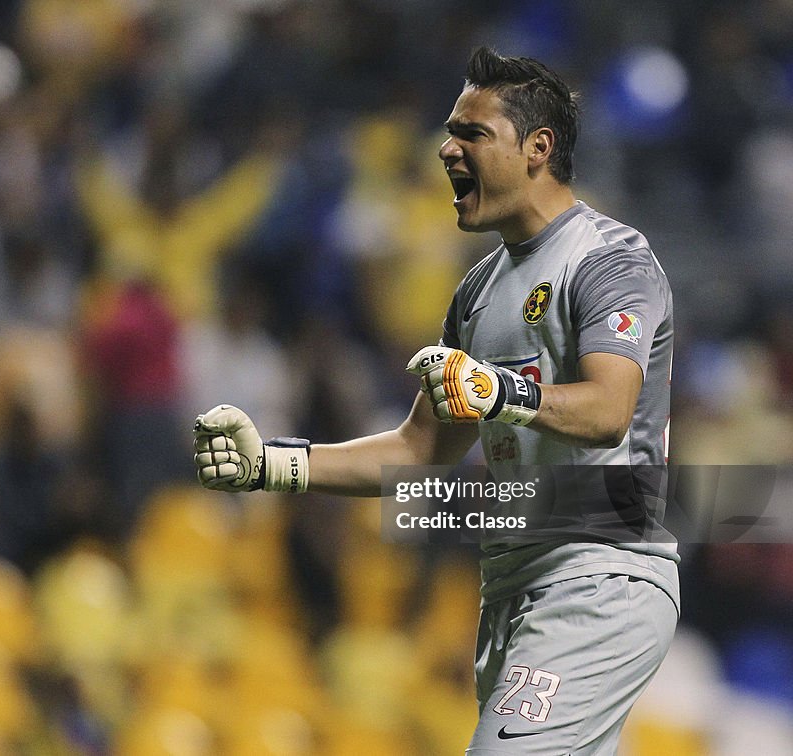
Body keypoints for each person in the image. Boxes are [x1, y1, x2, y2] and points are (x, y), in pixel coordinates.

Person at [193, 46, 678, 755]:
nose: (447, 149)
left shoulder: (610, 259)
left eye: (471, 133)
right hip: (515, 586)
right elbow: (417, 451)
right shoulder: (477, 293)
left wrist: (499, 390)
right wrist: (272, 464)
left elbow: (608, 411)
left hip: (601, 571)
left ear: (538, 148)